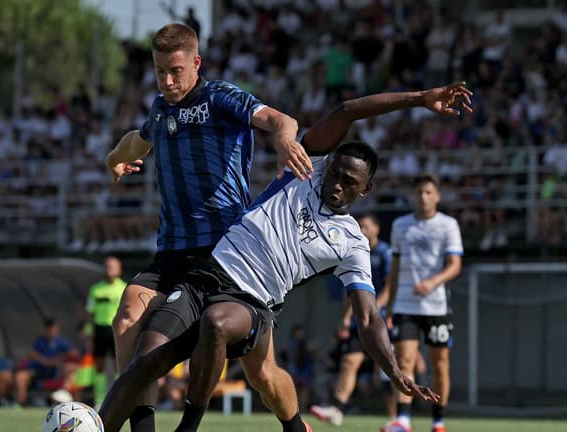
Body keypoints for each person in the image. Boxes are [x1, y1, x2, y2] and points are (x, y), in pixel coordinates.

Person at [99, 83, 473, 432]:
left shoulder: (353, 243)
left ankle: (187, 428)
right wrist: (421, 97)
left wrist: (392, 369)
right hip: (207, 273)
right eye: (336, 174)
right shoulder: (306, 168)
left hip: (251, 302)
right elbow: (345, 111)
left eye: (350, 183)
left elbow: (368, 315)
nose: (338, 185)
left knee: (217, 323)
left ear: (366, 190)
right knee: (144, 363)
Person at [105, 22, 311, 432]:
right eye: (160, 70)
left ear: (195, 63)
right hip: (172, 254)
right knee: (127, 319)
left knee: (263, 374)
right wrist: (114, 158)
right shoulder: (160, 109)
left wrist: (286, 141)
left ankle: (295, 426)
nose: (167, 80)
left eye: (176, 70)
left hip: (227, 257)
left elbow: (279, 119)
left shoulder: (220, 98)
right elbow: (138, 139)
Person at [383, 173, 464, 432]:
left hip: (436, 306)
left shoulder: (448, 225)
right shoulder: (400, 225)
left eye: (428, 192)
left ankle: (438, 421)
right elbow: (394, 268)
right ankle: (403, 420)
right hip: (406, 305)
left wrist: (433, 282)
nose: (423, 196)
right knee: (404, 361)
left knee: (439, 364)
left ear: (437, 196)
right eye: (419, 192)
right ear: (413, 196)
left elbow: (455, 266)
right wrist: (392, 304)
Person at [310, 214, 395, 426]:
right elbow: (351, 291)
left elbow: (389, 288)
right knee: (349, 362)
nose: (363, 230)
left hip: (381, 320)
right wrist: (346, 319)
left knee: (386, 371)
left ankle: (398, 418)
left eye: (366, 226)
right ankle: (337, 409)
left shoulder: (386, 253)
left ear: (376, 229)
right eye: (360, 226)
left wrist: (374, 310)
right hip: (360, 321)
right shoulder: (355, 251)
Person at [0, 318, 79, 407]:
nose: (50, 331)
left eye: (52, 328)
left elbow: (74, 354)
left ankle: (20, 403)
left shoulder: (60, 342)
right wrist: (41, 359)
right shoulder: (40, 341)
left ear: (56, 329)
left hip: (40, 374)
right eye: (48, 328)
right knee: (2, 375)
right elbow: (31, 354)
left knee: (21, 377)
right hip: (28, 369)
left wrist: (54, 360)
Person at [85, 256, 127, 406]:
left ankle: (117, 399)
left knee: (119, 365)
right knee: (99, 366)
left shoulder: (125, 288)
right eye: (107, 266)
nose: (109, 268)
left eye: (112, 266)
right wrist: (88, 332)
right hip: (100, 329)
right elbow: (90, 312)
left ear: (119, 269)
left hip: (117, 330)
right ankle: (99, 400)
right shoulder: (96, 289)